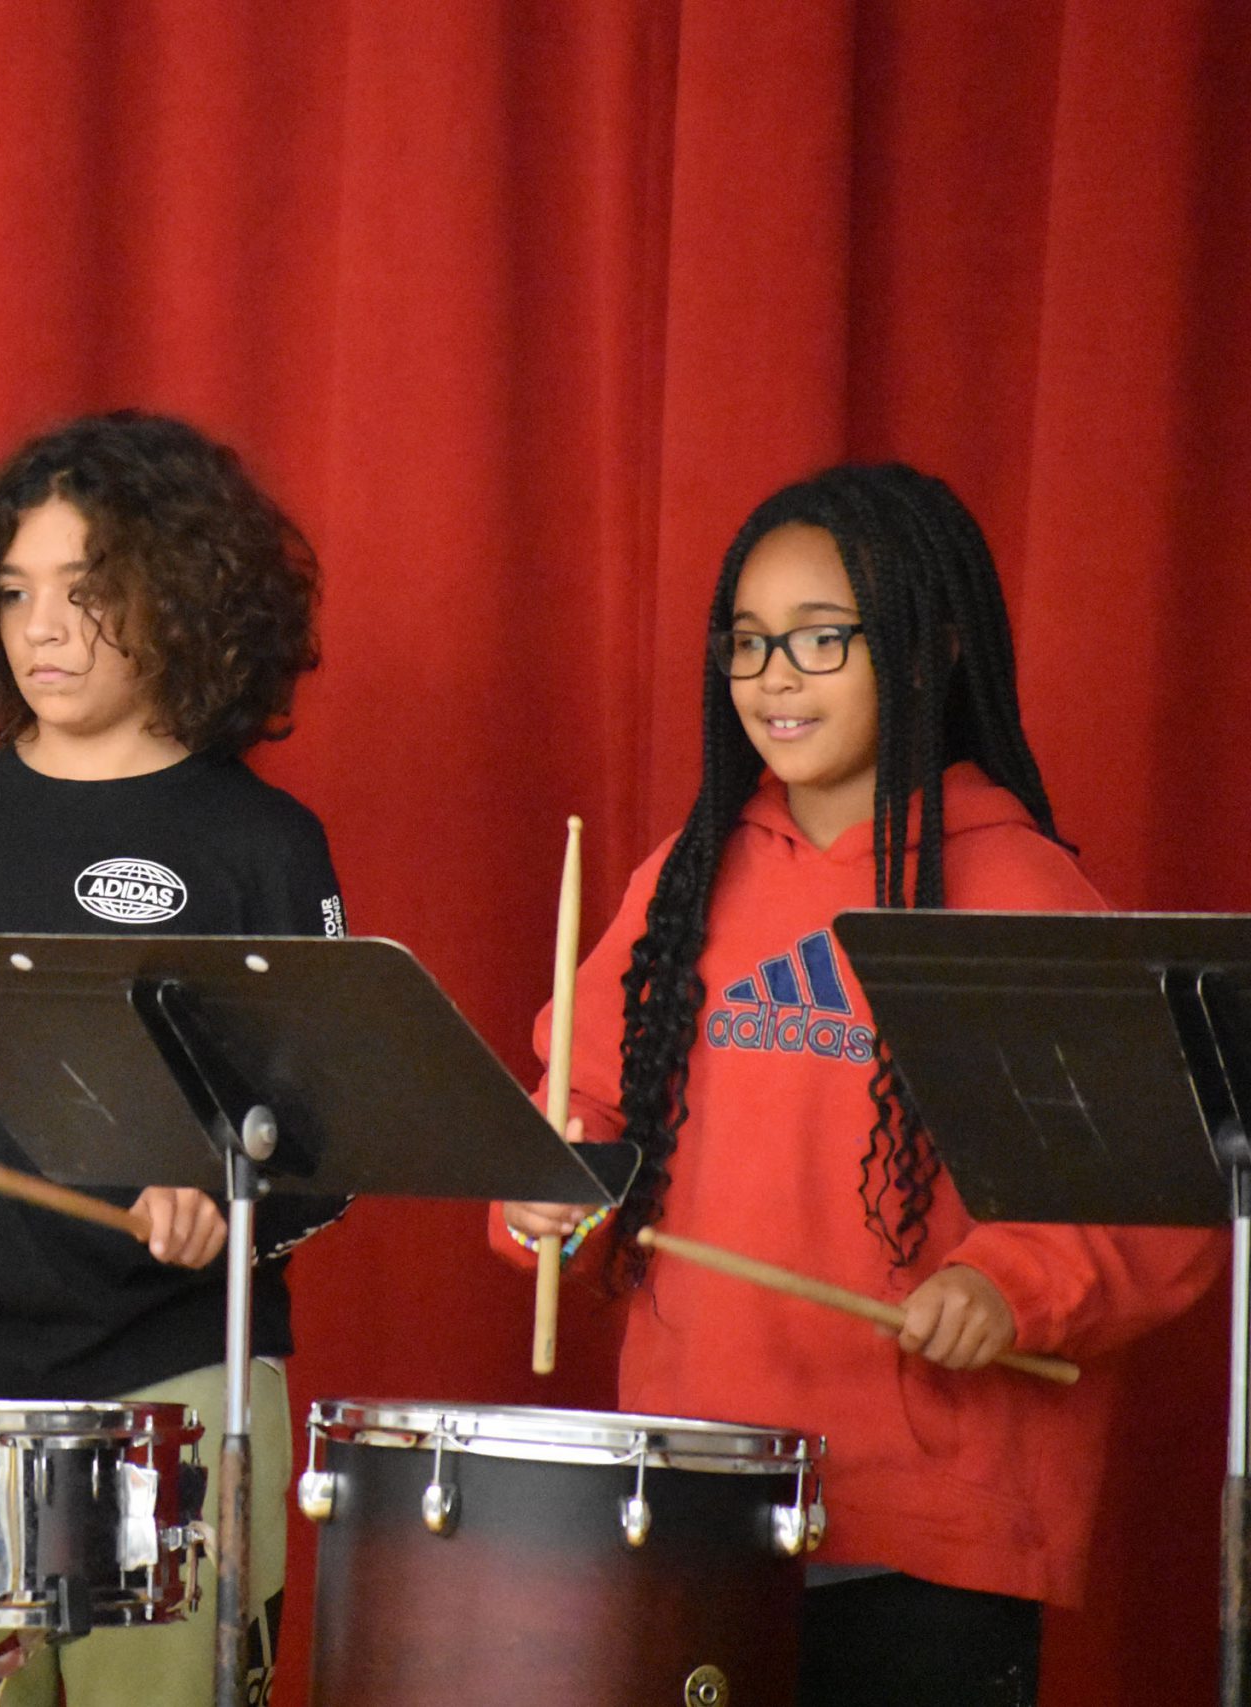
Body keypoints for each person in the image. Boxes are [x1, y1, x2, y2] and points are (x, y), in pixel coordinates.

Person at [495, 463, 1218, 1706]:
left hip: (924, 1529)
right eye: (747, 643)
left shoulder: (1021, 895)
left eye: (822, 639)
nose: (774, 676)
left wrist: (1011, 1283)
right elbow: (586, 1117)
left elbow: (1159, 1196)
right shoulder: (686, 878)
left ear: (930, 648)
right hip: (687, 1491)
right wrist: (543, 1197)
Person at [0, 411, 345, 1706]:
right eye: (16, 591)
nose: (40, 627)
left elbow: (329, 1137)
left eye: (87, 594)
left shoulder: (263, 840)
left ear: (190, 600)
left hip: (179, 1379)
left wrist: (228, 1206)